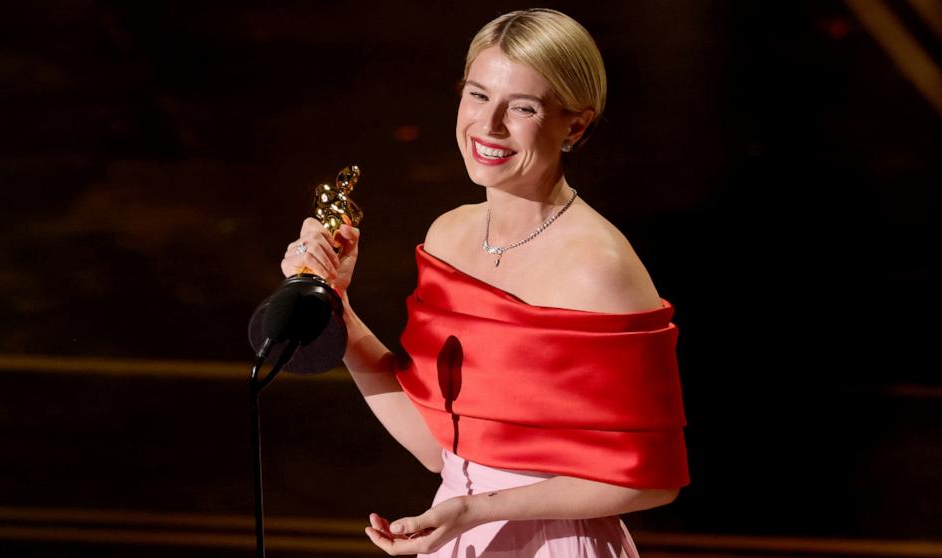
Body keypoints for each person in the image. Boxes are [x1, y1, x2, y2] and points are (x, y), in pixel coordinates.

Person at [280, 8, 688, 557]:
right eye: (477, 96)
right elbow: (438, 447)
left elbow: (652, 479)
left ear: (576, 125)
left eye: (522, 107)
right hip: (458, 534)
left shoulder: (599, 267)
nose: (489, 126)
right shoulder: (451, 235)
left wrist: (480, 509)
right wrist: (339, 313)